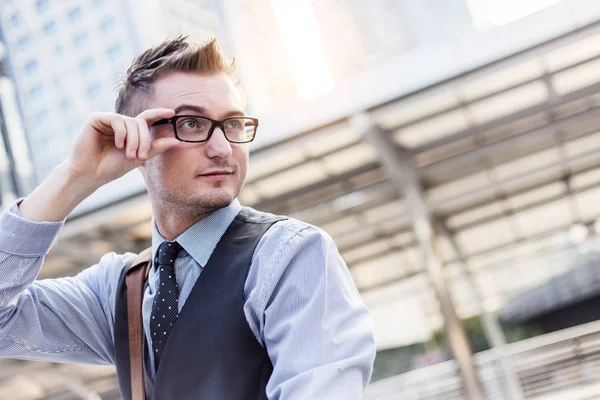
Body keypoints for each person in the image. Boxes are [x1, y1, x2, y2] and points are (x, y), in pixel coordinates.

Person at [0, 36, 376, 399]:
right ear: (138, 144)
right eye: (192, 124)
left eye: (232, 124)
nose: (222, 148)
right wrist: (74, 178)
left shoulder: (289, 257)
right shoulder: (119, 289)